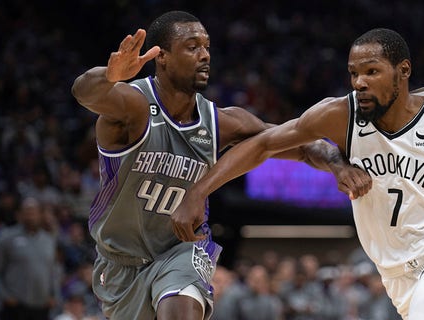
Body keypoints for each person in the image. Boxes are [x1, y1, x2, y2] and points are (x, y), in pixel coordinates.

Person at [172, 28, 424, 319]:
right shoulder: (339, 114)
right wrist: (197, 192)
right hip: (395, 271)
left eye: (372, 72)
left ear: (403, 71)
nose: (359, 82)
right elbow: (262, 143)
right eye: (353, 73)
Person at [70, 10, 370, 320]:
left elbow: (301, 144)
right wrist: (109, 75)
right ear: (163, 58)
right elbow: (83, 92)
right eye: (192, 47)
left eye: (207, 47)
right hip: (120, 262)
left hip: (180, 249)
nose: (204, 55)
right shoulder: (135, 106)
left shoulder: (222, 122)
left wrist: (338, 164)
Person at [0, 196, 59, 320]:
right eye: (27, 213)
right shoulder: (6, 237)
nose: (30, 217)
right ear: (20, 215)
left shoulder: (48, 240)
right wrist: (4, 296)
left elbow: (52, 270)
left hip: (41, 306)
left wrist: (54, 295)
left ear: (41, 215)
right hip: (14, 306)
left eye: (34, 213)